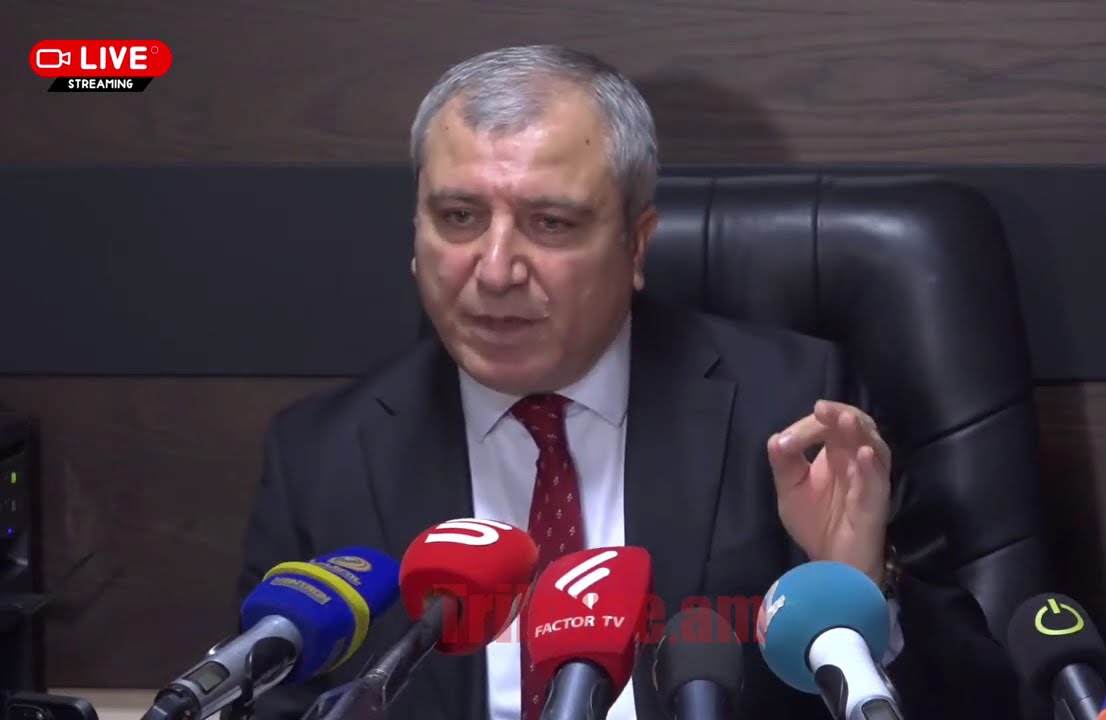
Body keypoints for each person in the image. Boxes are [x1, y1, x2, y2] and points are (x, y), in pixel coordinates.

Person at [237, 44, 1020, 720]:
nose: (496, 270)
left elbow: (980, 703)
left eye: (551, 223)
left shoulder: (795, 408)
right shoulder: (321, 457)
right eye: (459, 217)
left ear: (636, 245)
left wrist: (862, 587)